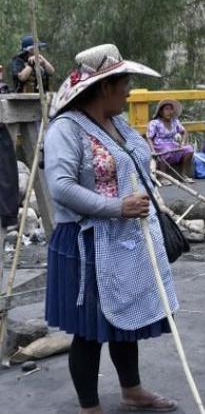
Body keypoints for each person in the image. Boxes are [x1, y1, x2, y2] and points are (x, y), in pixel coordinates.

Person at [44, 44, 178, 413]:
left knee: (126, 320)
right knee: (88, 331)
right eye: (125, 83)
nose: (129, 90)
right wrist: (117, 207)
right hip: (85, 243)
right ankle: (90, 407)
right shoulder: (66, 130)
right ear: (104, 87)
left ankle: (131, 391)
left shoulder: (116, 123)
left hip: (124, 241)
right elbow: (62, 187)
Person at [146, 99, 195, 183]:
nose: (169, 112)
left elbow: (184, 132)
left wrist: (182, 143)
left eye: (171, 109)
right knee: (166, 149)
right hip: (160, 146)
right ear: (161, 112)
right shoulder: (155, 123)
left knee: (189, 149)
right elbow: (149, 137)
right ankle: (162, 177)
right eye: (167, 109)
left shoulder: (175, 122)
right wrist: (152, 151)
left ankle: (183, 175)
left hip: (173, 145)